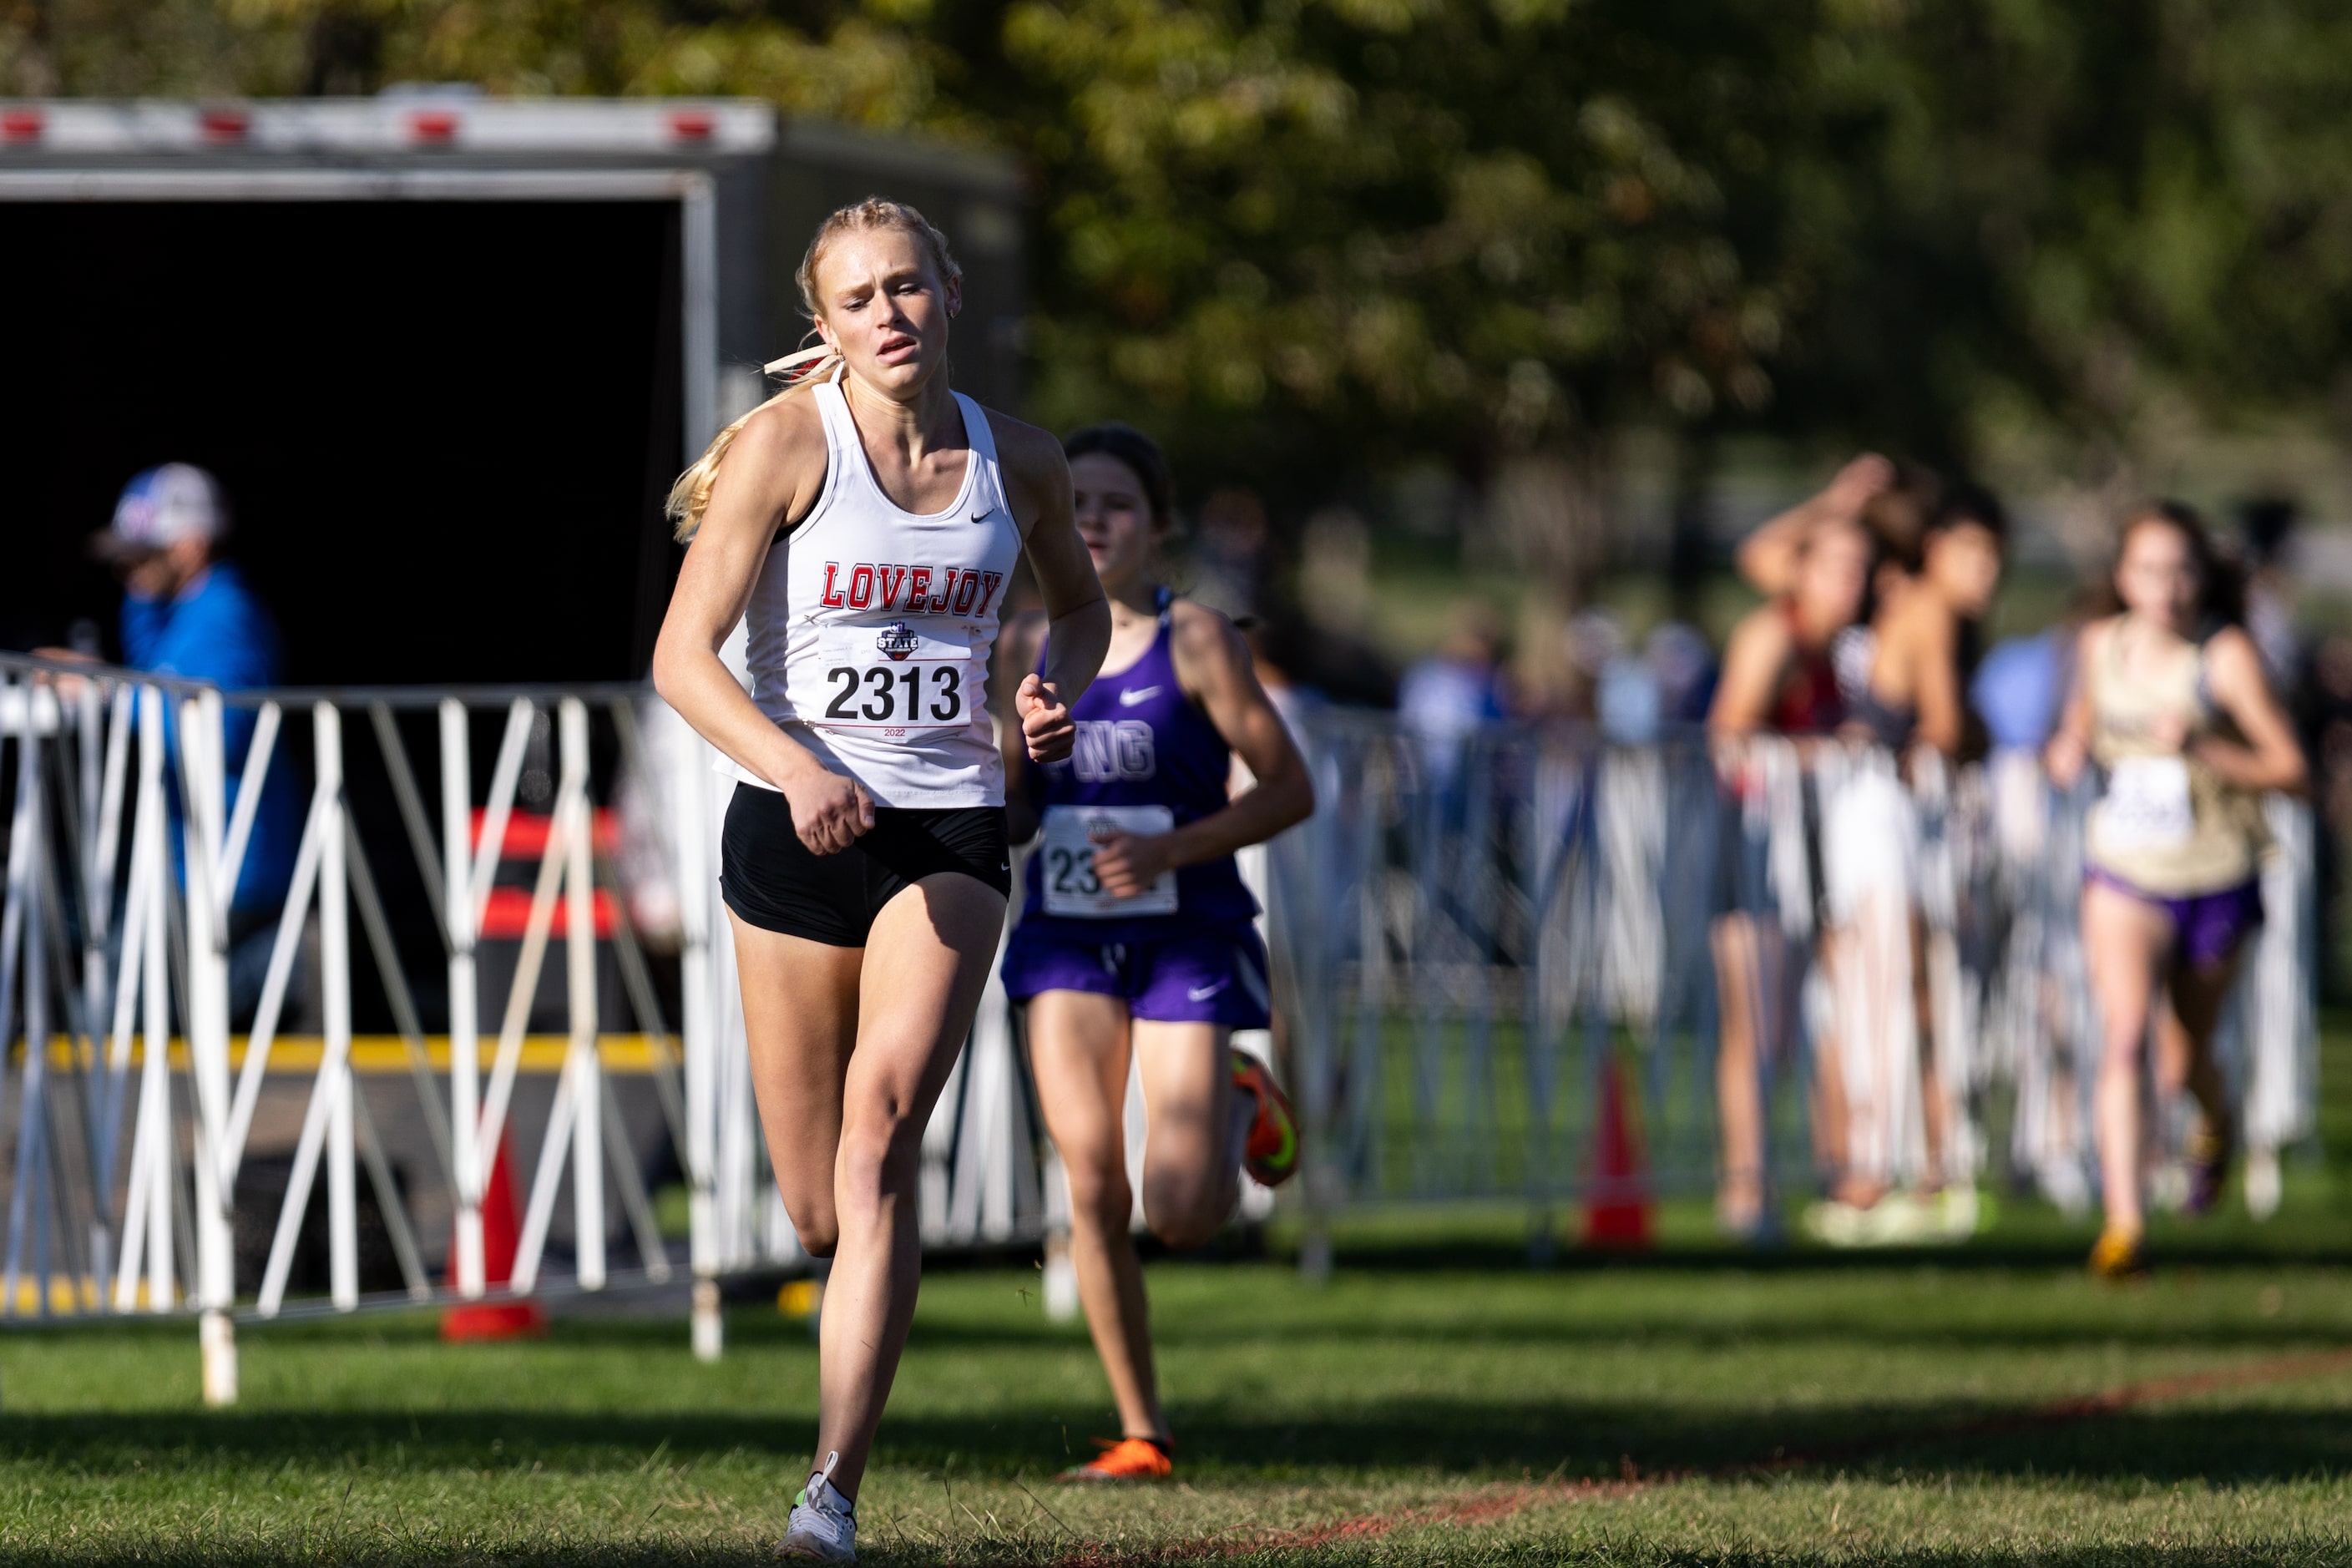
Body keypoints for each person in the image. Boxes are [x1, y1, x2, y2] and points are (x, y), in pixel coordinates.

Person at [650, 197, 1110, 1562]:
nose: (888, 317)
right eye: (858, 300)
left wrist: (1046, 694)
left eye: (906, 288)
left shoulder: (1015, 460)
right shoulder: (790, 449)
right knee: (813, 1205)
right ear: (823, 324)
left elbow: (1078, 609)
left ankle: (829, 1493)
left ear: (951, 291)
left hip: (949, 830)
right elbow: (684, 656)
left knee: (881, 1135)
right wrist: (795, 769)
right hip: (794, 839)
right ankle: (833, 1431)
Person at [998, 424, 1313, 1482]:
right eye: (1073, 501)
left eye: (1116, 504)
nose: (1090, 520)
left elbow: (1289, 787)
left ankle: (1238, 1094)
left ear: (1158, 525)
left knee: (1179, 1211)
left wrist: (1172, 845)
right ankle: (1143, 1432)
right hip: (1067, 944)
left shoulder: (1199, 643)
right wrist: (1012, 745)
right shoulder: (1019, 646)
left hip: (1186, 935)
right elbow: (1008, 818)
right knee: (1090, 1182)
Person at [2046, 503, 2306, 1281]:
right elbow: (2081, 726)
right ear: (2122, 577)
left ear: (2200, 576)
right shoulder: (2097, 644)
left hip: (2215, 871)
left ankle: (2213, 1117)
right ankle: (2124, 1226)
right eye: (2148, 569)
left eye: (2180, 569)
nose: (2164, 586)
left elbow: (2288, 768)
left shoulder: (2223, 658)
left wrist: (2203, 745)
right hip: (2124, 869)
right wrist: (2065, 749)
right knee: (2123, 1033)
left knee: (2182, 1055)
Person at [82, 463, 299, 1024]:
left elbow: (209, 731)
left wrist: (101, 691)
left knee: (112, 1019)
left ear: (191, 546)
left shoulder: (225, 615)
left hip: (229, 868)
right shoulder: (177, 612)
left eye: (142, 552)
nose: (127, 566)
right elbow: (151, 675)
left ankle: (295, 966)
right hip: (196, 862)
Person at [1707, 511, 1874, 1237]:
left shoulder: (1844, 652)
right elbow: (1730, 735)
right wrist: (1829, 752)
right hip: (1754, 845)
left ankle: (1842, 1177)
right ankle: (1746, 1191)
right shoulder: (1771, 636)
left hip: (1822, 844)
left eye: (1861, 569)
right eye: (1838, 568)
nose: (1853, 584)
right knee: (1760, 1029)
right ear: (1799, 574)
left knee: (1838, 1016)